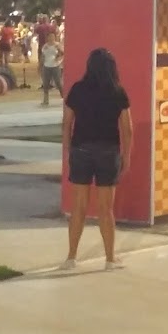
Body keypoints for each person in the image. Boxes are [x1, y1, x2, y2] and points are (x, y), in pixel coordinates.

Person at [62, 47, 132, 270]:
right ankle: (110, 259)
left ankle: (71, 257)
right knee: (105, 209)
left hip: (81, 150)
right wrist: (126, 156)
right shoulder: (117, 92)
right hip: (108, 152)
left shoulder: (77, 89)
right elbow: (127, 129)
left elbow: (66, 123)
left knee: (79, 207)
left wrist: (68, 149)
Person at [39, 31, 64, 108]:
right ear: (47, 37)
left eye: (53, 36)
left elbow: (62, 53)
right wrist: (40, 65)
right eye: (50, 36)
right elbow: (43, 56)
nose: (51, 38)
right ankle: (45, 100)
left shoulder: (57, 45)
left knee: (58, 83)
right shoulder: (45, 46)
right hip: (46, 66)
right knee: (45, 84)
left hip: (55, 66)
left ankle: (64, 98)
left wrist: (58, 57)